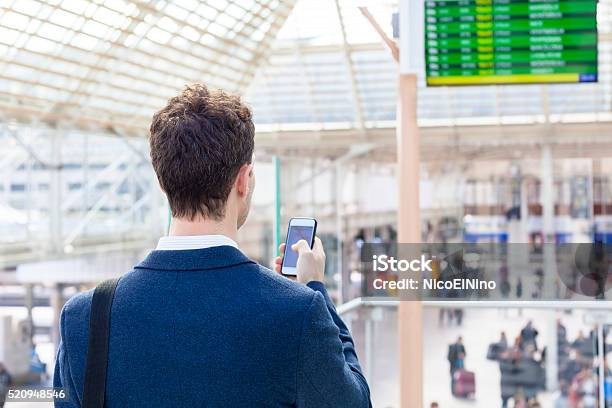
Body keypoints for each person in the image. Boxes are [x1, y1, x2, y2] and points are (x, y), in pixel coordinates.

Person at [53, 84, 371, 407]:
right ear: (244, 181)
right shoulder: (298, 313)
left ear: (161, 182)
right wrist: (315, 286)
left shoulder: (85, 318)